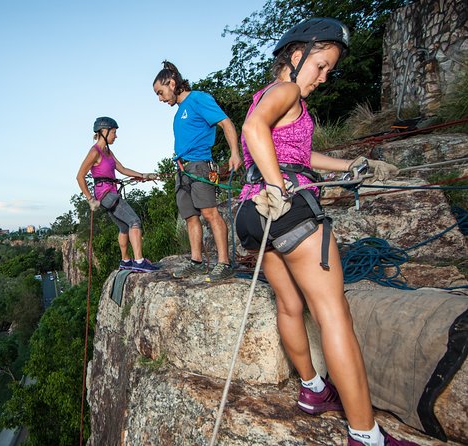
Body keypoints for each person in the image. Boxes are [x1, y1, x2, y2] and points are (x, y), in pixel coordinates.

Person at [234, 18, 414, 446]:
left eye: (329, 69)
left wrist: (347, 167)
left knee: (290, 303)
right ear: (296, 57)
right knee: (333, 311)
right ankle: (365, 434)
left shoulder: (267, 96)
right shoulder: (287, 90)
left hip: (250, 213)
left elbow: (297, 151)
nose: (323, 76)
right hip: (284, 204)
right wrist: (279, 186)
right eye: (320, 65)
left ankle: (314, 389)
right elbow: (253, 130)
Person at [153, 61, 243, 282]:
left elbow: (226, 123)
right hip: (182, 169)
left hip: (200, 166)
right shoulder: (179, 113)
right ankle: (196, 262)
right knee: (190, 217)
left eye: (160, 92)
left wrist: (235, 153)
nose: (161, 99)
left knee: (209, 213)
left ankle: (224, 263)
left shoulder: (199, 99)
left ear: (172, 83)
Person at [77, 116, 159, 273]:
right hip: (106, 195)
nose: (116, 135)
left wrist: (144, 175)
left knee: (123, 227)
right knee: (134, 221)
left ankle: (125, 261)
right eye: (113, 132)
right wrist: (90, 199)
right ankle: (140, 262)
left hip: (110, 194)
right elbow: (80, 176)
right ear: (104, 132)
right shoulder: (95, 152)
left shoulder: (108, 151)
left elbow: (122, 169)